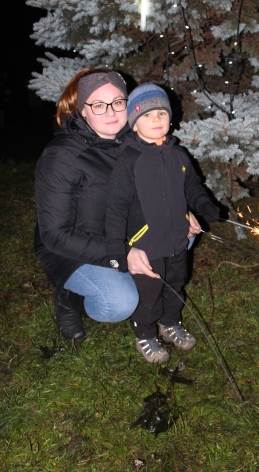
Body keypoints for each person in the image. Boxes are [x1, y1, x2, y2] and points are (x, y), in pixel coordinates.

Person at [34, 68, 202, 342]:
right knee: (118, 303)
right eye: (99, 105)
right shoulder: (61, 156)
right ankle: (67, 298)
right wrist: (123, 253)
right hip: (73, 248)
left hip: (126, 232)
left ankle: (152, 294)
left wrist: (182, 211)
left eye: (118, 102)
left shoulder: (138, 140)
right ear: (82, 110)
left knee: (184, 236)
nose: (111, 112)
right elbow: (55, 234)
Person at [105, 83, 220, 364]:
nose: (156, 120)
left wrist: (205, 206)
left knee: (176, 283)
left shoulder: (178, 155)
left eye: (161, 113)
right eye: (147, 115)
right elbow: (116, 206)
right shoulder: (129, 160)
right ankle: (144, 333)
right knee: (150, 291)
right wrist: (117, 248)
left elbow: (192, 187)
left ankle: (170, 323)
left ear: (170, 117)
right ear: (134, 123)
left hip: (178, 239)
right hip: (146, 244)